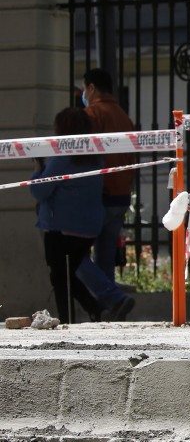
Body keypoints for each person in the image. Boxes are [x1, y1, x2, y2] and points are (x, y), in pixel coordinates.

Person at [30, 108, 105, 324]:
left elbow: (40, 190)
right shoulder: (95, 156)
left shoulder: (63, 155)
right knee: (65, 275)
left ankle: (69, 319)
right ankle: (93, 307)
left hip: (61, 227)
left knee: (60, 277)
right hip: (89, 228)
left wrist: (37, 169)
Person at [80, 69, 136, 290]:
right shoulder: (123, 116)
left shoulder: (93, 114)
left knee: (76, 255)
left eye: (85, 89)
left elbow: (86, 155)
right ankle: (110, 310)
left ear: (92, 88)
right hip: (121, 195)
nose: (84, 94)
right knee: (105, 259)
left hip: (100, 195)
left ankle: (111, 297)